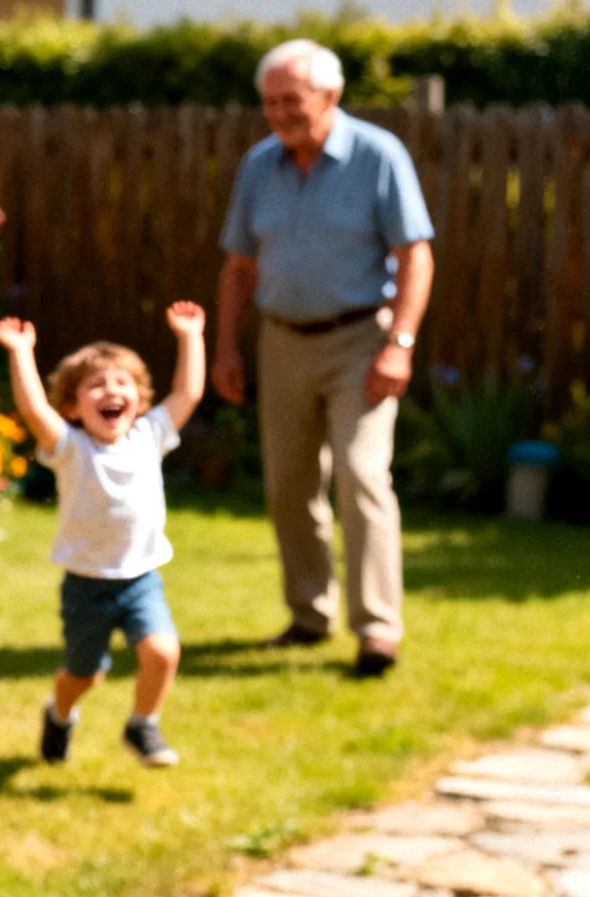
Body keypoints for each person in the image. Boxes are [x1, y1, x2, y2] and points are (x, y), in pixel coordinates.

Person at [212, 39, 435, 678]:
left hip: (361, 339)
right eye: (270, 102)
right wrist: (227, 348)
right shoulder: (259, 166)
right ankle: (310, 615)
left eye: (293, 100)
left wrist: (401, 344)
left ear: (330, 96)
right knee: (288, 485)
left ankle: (377, 632)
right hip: (280, 340)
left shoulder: (377, 156)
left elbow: (416, 254)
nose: (280, 113)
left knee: (361, 475)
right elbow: (238, 267)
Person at [0, 302, 207, 768]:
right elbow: (32, 407)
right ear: (72, 406)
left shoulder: (150, 436)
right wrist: (21, 351)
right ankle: (60, 713)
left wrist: (190, 336)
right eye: (96, 385)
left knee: (163, 651)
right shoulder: (70, 447)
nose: (111, 391)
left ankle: (142, 725)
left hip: (140, 578)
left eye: (121, 382)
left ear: (140, 399)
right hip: (86, 585)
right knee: (83, 675)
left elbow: (188, 391)